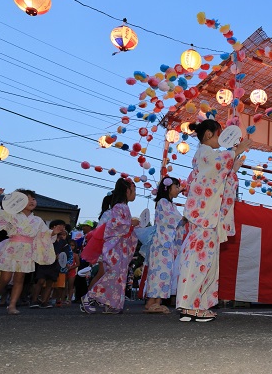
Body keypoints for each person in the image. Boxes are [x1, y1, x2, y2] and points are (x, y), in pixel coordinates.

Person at [176, 119, 252, 323]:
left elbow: (219, 175)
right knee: (199, 260)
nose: (221, 139)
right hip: (204, 216)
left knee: (206, 262)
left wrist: (232, 168)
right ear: (208, 134)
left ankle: (199, 304)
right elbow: (215, 169)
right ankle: (190, 305)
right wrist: (235, 152)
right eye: (219, 134)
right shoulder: (205, 154)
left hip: (206, 215)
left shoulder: (208, 155)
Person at [0, 187, 65, 315]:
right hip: (12, 247)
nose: (32, 201)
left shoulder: (38, 220)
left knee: (20, 279)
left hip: (27, 250)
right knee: (5, 278)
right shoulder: (10, 215)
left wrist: (53, 232)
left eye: (33, 199)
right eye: (27, 198)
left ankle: (12, 305)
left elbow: (43, 234)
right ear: (18, 201)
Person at [81, 178, 138, 314]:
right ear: (127, 191)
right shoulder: (119, 207)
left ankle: (111, 304)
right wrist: (130, 224)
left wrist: (130, 225)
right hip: (115, 247)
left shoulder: (122, 207)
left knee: (119, 275)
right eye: (134, 190)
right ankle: (89, 297)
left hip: (120, 247)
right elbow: (116, 226)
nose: (135, 193)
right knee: (114, 274)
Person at [144, 177, 183, 314]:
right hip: (161, 242)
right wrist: (189, 216)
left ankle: (157, 302)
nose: (178, 190)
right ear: (168, 188)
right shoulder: (163, 202)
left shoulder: (171, 205)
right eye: (176, 187)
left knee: (164, 273)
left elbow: (178, 222)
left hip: (167, 243)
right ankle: (151, 302)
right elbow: (172, 219)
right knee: (158, 272)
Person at [29, 221, 68, 309]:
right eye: (61, 226)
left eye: (63, 227)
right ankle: (34, 300)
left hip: (55, 264)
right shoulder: (47, 236)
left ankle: (44, 301)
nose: (62, 229)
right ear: (54, 227)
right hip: (45, 261)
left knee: (50, 283)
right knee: (40, 281)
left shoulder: (63, 241)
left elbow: (64, 253)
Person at [65, 239, 80, 304]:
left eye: (72, 245)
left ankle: (69, 299)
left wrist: (71, 267)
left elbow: (78, 264)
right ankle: (63, 298)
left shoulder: (75, 255)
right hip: (65, 271)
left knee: (70, 286)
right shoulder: (65, 254)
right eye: (70, 245)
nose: (71, 247)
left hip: (72, 272)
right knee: (64, 285)